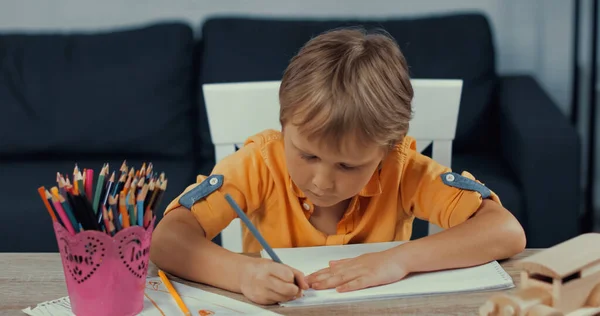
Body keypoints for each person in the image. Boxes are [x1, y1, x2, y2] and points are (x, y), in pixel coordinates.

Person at [150, 27, 526, 305]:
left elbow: (505, 230)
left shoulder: (402, 169)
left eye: (348, 166)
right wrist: (241, 273)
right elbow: (167, 239)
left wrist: (399, 260)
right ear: (283, 126)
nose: (322, 181)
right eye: (308, 155)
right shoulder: (258, 164)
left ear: (387, 149)